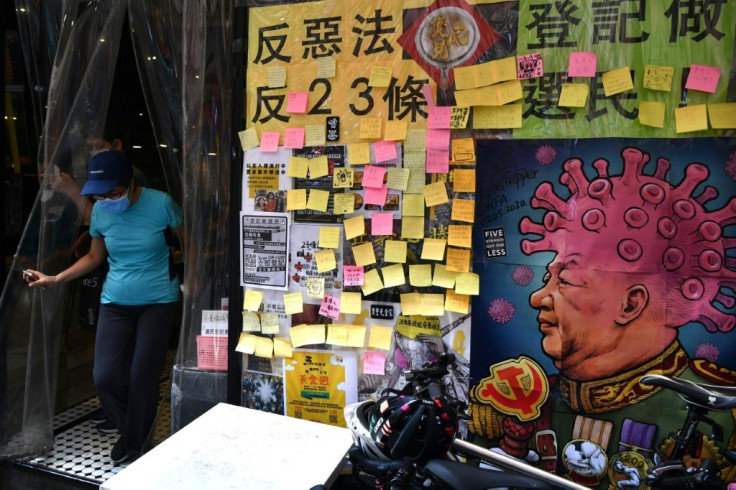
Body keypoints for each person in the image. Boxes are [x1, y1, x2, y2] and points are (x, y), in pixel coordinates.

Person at [467, 148, 736, 486]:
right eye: (548, 278)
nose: (537, 297)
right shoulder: (526, 401)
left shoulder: (721, 416)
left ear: (630, 305)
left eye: (564, 281)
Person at [24, 150, 183, 464]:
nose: (106, 199)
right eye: (99, 194)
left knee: (142, 375)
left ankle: (134, 443)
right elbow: (95, 257)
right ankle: (135, 432)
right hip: (115, 301)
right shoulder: (99, 212)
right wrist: (56, 279)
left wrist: (197, 284)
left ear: (131, 184)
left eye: (112, 192)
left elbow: (188, 241)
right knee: (106, 377)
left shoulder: (161, 203)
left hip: (159, 301)